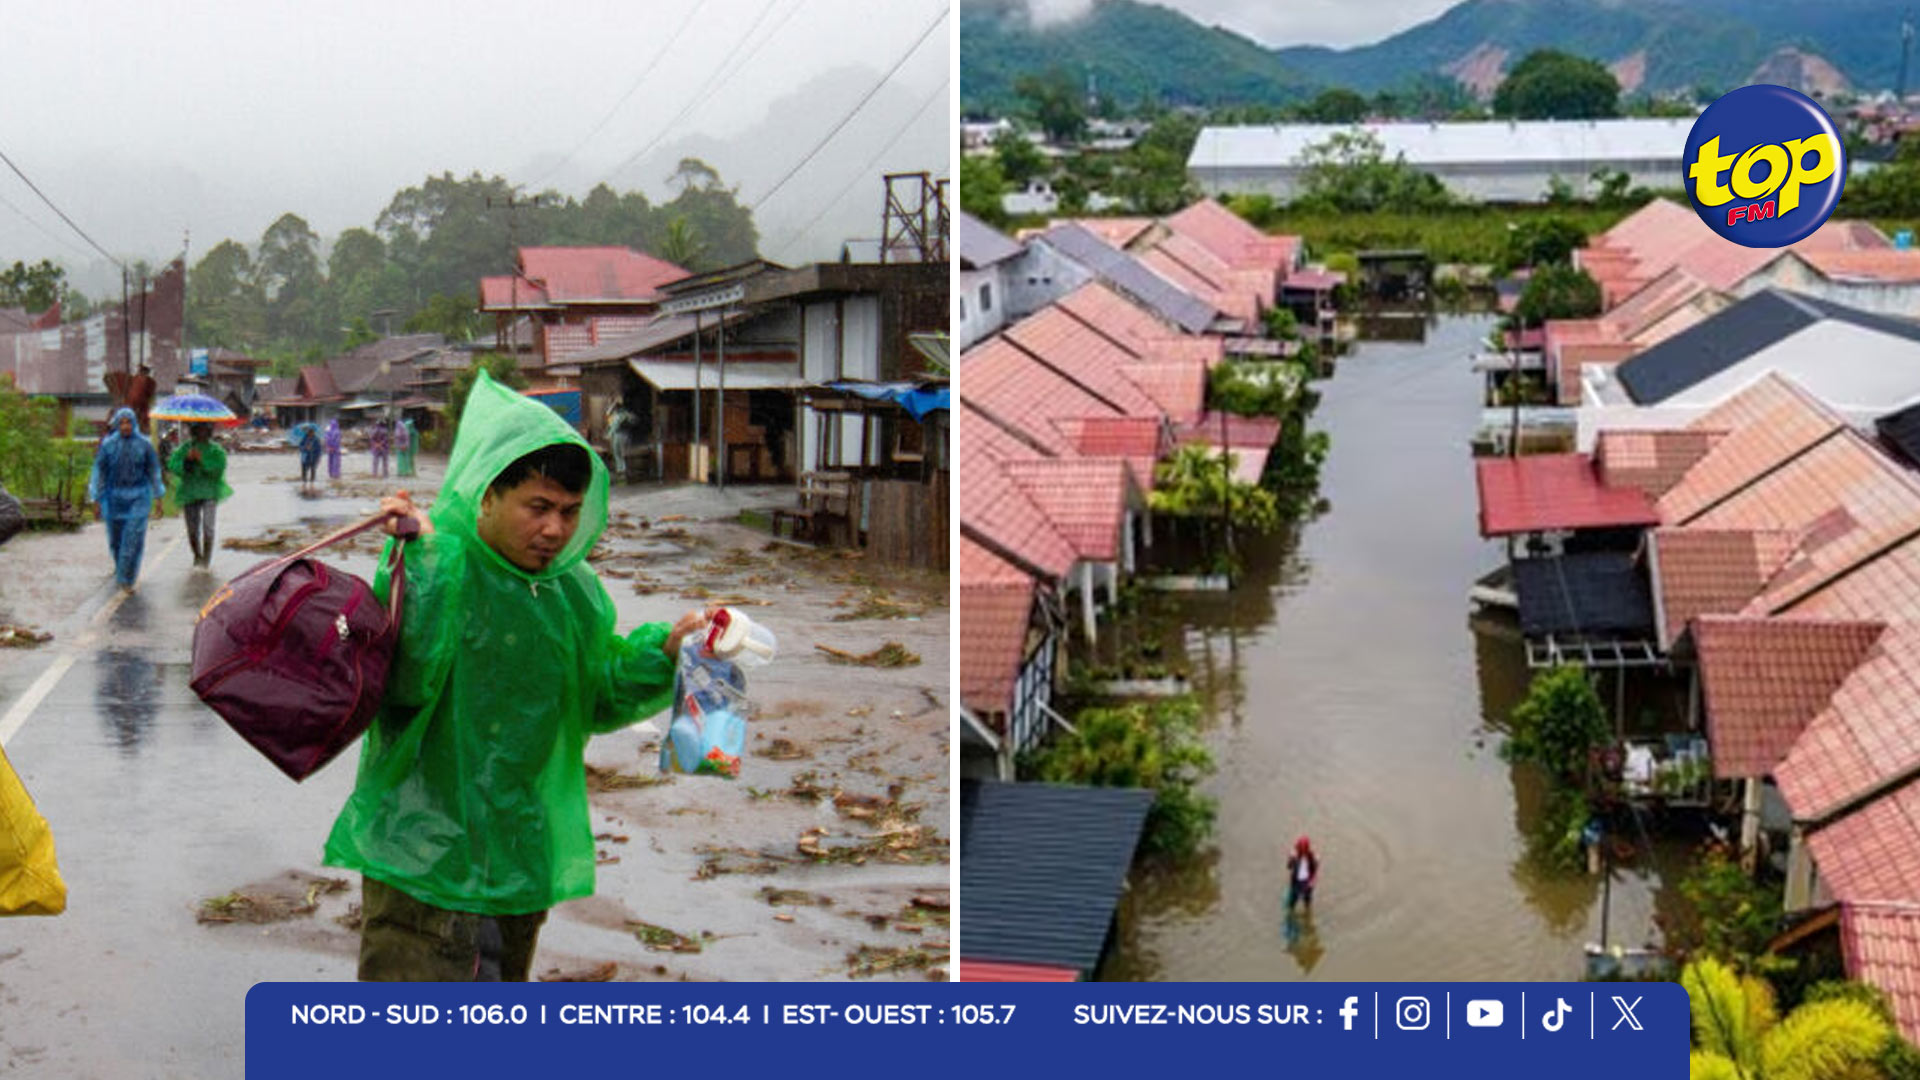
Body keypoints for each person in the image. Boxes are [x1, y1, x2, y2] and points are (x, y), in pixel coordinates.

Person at [324, 370, 707, 982]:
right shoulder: (433, 562)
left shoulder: (569, 594)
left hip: (518, 861)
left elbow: (597, 691)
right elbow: (403, 681)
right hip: (425, 858)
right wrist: (420, 564)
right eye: (538, 507)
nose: (555, 529)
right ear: (488, 496)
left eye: (570, 512)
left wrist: (665, 651)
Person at [86, 407, 164, 591]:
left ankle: (126, 578)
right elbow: (100, 472)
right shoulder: (108, 445)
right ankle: (121, 567)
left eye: (129, 422)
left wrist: (158, 496)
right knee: (116, 540)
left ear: (134, 423)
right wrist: (96, 498)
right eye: (122, 423)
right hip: (113, 498)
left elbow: (153, 471)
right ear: (117, 424)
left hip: (138, 497)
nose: (126, 426)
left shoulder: (144, 445)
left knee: (133, 538)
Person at [166, 422, 232, 568]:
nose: (202, 432)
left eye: (205, 429)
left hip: (209, 492)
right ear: (194, 431)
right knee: (192, 530)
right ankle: (197, 555)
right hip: (189, 492)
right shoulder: (185, 448)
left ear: (209, 431)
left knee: (208, 529)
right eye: (199, 429)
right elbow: (173, 466)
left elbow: (218, 470)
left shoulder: (216, 450)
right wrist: (187, 461)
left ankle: (206, 560)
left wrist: (201, 461)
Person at [1286, 835, 1320, 914]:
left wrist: (1312, 881)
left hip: (1307, 882)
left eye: (1304, 848)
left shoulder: (1311, 856)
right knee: (1293, 900)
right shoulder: (1295, 855)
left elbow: (1314, 870)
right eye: (1300, 847)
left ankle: (1307, 912)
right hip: (1296, 882)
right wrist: (1291, 858)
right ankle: (1290, 913)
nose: (1302, 850)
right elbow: (1289, 867)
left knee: (1307, 900)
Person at [604, 401, 633, 484]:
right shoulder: (626, 414)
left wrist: (608, 435)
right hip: (626, 435)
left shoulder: (618, 416)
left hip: (618, 435)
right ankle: (622, 469)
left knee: (617, 452)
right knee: (621, 453)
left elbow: (614, 426)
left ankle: (621, 470)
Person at [295, 422, 323, 490]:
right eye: (309, 433)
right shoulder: (304, 439)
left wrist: (318, 457)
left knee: (313, 469)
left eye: (312, 433)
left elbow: (319, 449)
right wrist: (305, 447)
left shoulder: (316, 439)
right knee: (304, 470)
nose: (311, 434)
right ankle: (304, 482)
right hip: (305, 457)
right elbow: (300, 447)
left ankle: (312, 483)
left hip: (313, 457)